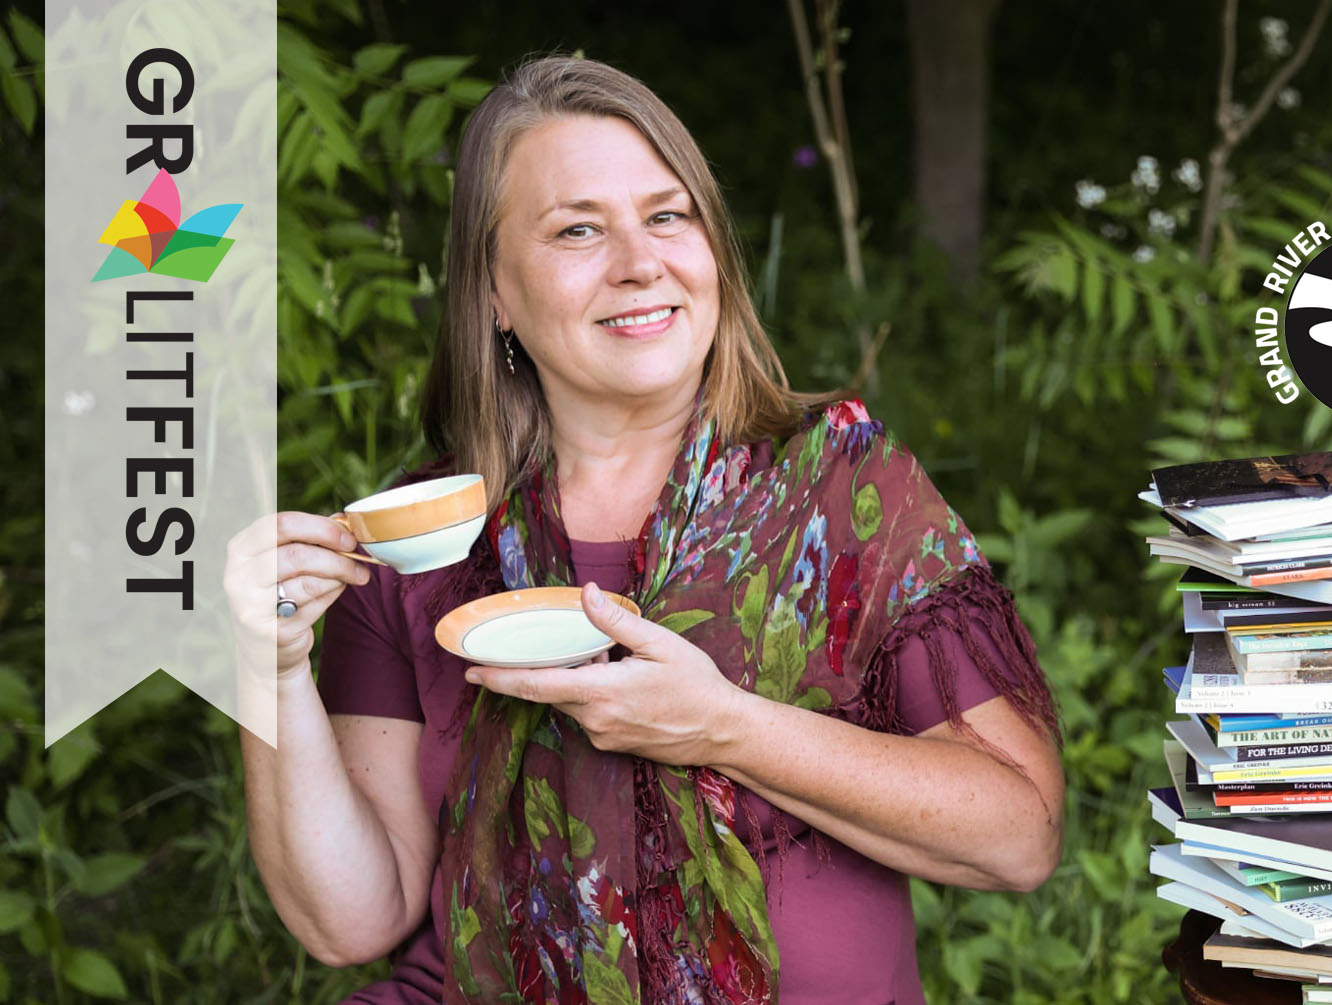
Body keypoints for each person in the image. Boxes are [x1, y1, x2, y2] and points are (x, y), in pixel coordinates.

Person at [236, 55, 1063, 1005]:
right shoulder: (419, 539)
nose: (641, 260)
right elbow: (351, 919)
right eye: (578, 229)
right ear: (494, 293)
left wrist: (727, 728)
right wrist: (270, 670)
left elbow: (1019, 834)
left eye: (668, 216)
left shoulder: (843, 492)